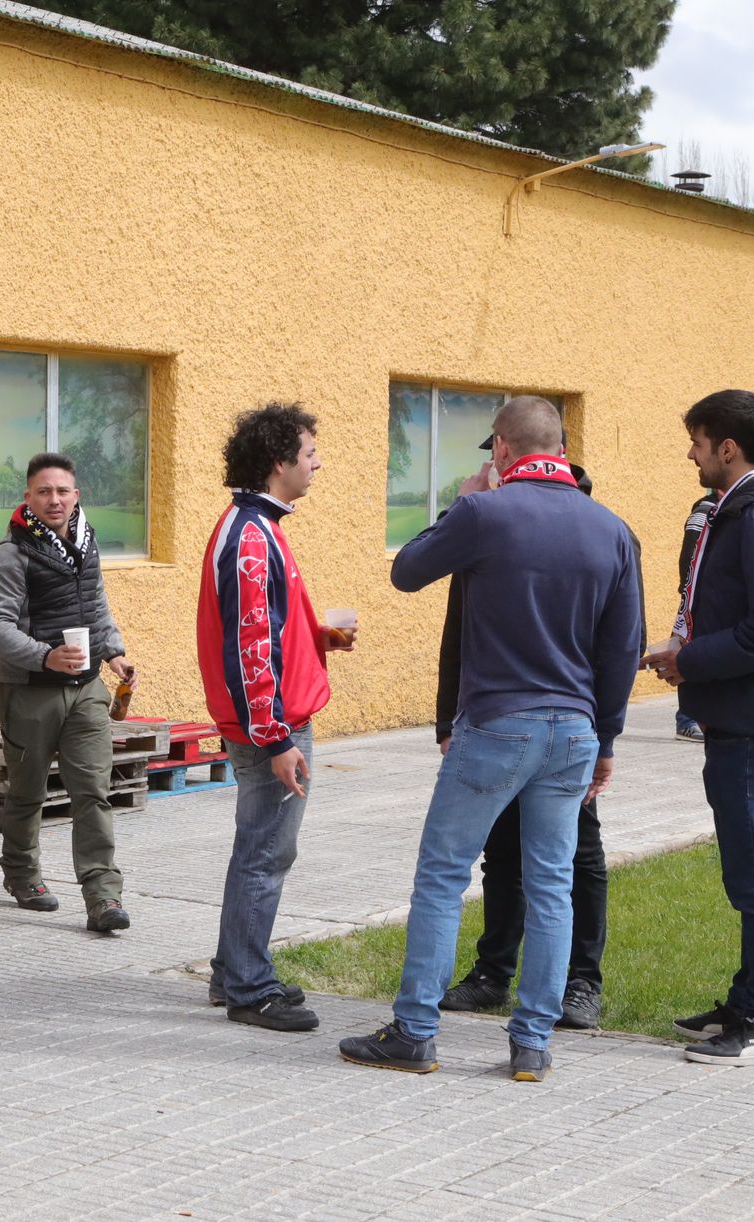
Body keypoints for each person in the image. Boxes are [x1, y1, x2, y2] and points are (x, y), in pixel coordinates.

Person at [340, 396, 640, 1083]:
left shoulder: (484, 512)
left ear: (501, 449)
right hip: (574, 730)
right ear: (560, 448)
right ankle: (532, 1043)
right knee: (552, 885)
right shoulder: (613, 529)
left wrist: (462, 502)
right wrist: (610, 738)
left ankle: (415, 1032)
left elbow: (407, 569)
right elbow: (621, 648)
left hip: (498, 723)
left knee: (445, 875)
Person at [436, 435, 615, 1031]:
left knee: (572, 862)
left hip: (565, 727)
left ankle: (580, 983)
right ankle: (494, 972)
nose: (491, 465)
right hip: (491, 721)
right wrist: (446, 717)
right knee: (501, 853)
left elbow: (616, 645)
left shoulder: (593, 524)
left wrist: (606, 736)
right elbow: (458, 629)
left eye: (498, 453)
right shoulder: (490, 521)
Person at [645, 389, 754, 1067]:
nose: (691, 454)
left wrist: (691, 660)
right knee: (747, 872)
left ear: (727, 448)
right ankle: (747, 999)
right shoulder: (740, 511)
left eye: (698, 443)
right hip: (741, 715)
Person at [198, 404, 347, 1032]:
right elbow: (248, 648)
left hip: (269, 721)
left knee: (256, 849)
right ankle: (250, 989)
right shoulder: (252, 537)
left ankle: (232, 969)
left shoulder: (255, 526)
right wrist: (280, 738)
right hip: (272, 729)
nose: (316, 465)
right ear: (280, 461)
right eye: (310, 454)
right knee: (265, 853)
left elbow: (267, 630)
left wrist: (316, 636)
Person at [0, 451, 137, 934]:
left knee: (93, 791)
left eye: (62, 491)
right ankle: (23, 875)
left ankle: (103, 897)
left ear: (76, 496)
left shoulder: (87, 543)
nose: (54, 500)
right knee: (27, 794)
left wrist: (114, 651)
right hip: (28, 689)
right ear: (28, 497)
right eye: (43, 491)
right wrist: (45, 656)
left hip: (86, 687)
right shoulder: (12, 553)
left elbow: (95, 603)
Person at [671, 491, 719, 743]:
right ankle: (686, 718)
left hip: (707, 598)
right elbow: (689, 556)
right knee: (687, 652)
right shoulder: (704, 513)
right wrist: (689, 593)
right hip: (696, 599)